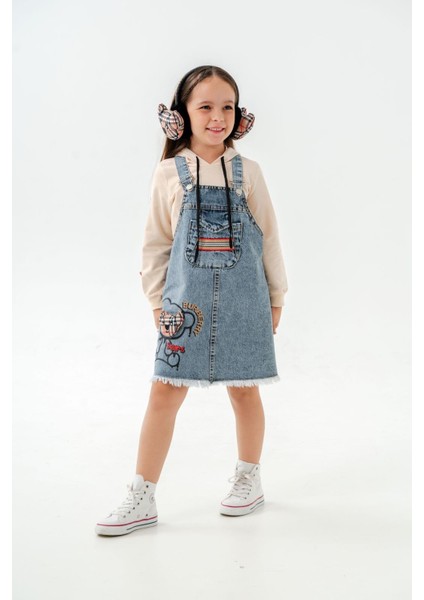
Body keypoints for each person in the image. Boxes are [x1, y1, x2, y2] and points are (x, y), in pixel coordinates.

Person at [95, 65, 288, 536]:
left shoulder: (249, 172)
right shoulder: (168, 173)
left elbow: (269, 238)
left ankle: (249, 478)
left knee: (245, 391)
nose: (217, 117)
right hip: (186, 310)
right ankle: (142, 494)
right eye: (205, 107)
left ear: (239, 115)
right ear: (181, 114)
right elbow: (156, 244)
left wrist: (277, 296)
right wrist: (156, 302)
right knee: (164, 391)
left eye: (227, 107)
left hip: (246, 302)